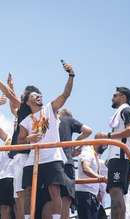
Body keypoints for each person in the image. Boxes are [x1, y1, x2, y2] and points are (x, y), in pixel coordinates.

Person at [18, 62, 75, 219]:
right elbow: (20, 141)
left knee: (54, 190)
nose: (39, 96)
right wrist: (29, 138)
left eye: (39, 95)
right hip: (33, 159)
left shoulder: (50, 108)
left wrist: (71, 75)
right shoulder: (26, 121)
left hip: (52, 156)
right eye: (35, 95)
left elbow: (65, 95)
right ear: (28, 102)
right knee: (28, 191)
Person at [0, 70, 39, 219]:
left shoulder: (33, 117)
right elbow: (12, 108)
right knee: (6, 207)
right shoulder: (10, 137)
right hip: (7, 172)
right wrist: (9, 89)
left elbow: (13, 101)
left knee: (19, 204)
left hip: (22, 163)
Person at [96, 87, 130, 219]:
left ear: (123, 97)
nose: (112, 98)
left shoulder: (126, 110)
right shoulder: (122, 111)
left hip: (120, 157)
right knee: (116, 192)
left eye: (115, 95)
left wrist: (107, 135)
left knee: (115, 191)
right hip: (118, 157)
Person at [57, 109, 93, 219]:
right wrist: (77, 141)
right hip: (66, 162)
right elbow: (88, 131)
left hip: (51, 162)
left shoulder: (49, 122)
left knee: (51, 198)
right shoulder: (67, 120)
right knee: (65, 198)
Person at [0, 95, 16, 219]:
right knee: (4, 208)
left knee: (18, 207)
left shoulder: (29, 139)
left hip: (18, 176)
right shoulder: (8, 138)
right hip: (4, 176)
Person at [75, 145, 107, 219]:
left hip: (93, 196)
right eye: (105, 144)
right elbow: (85, 168)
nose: (106, 146)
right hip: (85, 195)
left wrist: (98, 192)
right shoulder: (88, 151)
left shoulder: (95, 156)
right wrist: (99, 177)